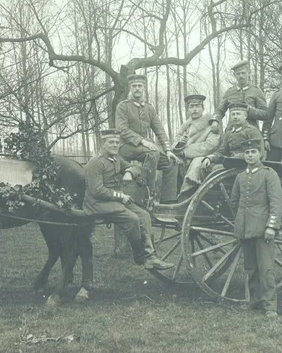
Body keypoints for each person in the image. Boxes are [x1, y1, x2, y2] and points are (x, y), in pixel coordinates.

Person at [84, 129, 174, 270]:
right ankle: (140, 257)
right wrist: (121, 196)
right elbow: (97, 191)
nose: (114, 145)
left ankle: (151, 256)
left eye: (117, 142)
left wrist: (128, 172)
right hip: (97, 203)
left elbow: (134, 167)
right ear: (103, 144)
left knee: (144, 216)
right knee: (133, 219)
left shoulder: (116, 159)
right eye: (111, 142)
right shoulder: (95, 163)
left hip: (114, 200)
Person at [229, 138, 282, 317]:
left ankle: (270, 306)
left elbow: (277, 202)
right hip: (245, 229)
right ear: (243, 155)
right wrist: (240, 220)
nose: (250, 155)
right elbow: (234, 202)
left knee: (266, 268)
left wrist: (271, 226)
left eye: (253, 152)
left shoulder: (269, 174)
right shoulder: (240, 177)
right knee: (251, 268)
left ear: (261, 154)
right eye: (247, 152)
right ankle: (255, 302)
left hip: (263, 229)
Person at [116, 74, 180, 203]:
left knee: (171, 162)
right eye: (134, 86)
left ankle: (168, 201)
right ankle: (148, 195)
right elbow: (122, 129)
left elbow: (159, 130)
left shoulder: (149, 108)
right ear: (130, 88)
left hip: (143, 147)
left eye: (140, 86)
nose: (137, 89)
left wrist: (168, 150)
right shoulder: (123, 106)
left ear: (144, 88)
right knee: (152, 152)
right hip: (125, 146)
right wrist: (142, 140)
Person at [170, 94, 221, 200]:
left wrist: (185, 151)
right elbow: (175, 143)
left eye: (197, 106)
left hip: (205, 157)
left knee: (197, 163)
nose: (194, 109)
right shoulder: (185, 126)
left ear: (203, 108)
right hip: (185, 157)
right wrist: (180, 144)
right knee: (171, 161)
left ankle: (187, 196)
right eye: (191, 107)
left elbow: (210, 146)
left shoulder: (211, 125)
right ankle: (170, 198)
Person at [209, 60, 268, 132]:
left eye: (243, 73)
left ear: (249, 73)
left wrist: (250, 111)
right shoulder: (230, 92)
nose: (241, 76)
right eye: (238, 74)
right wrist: (215, 120)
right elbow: (220, 110)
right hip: (231, 132)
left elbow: (265, 114)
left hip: (251, 134)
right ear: (234, 75)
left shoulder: (256, 91)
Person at [201, 102, 262, 171]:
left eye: (238, 114)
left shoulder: (252, 131)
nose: (235, 117)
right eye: (233, 114)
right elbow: (222, 152)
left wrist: (238, 156)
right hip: (231, 164)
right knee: (206, 167)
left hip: (247, 165)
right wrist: (210, 158)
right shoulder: (229, 133)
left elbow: (259, 153)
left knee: (217, 169)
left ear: (245, 116)